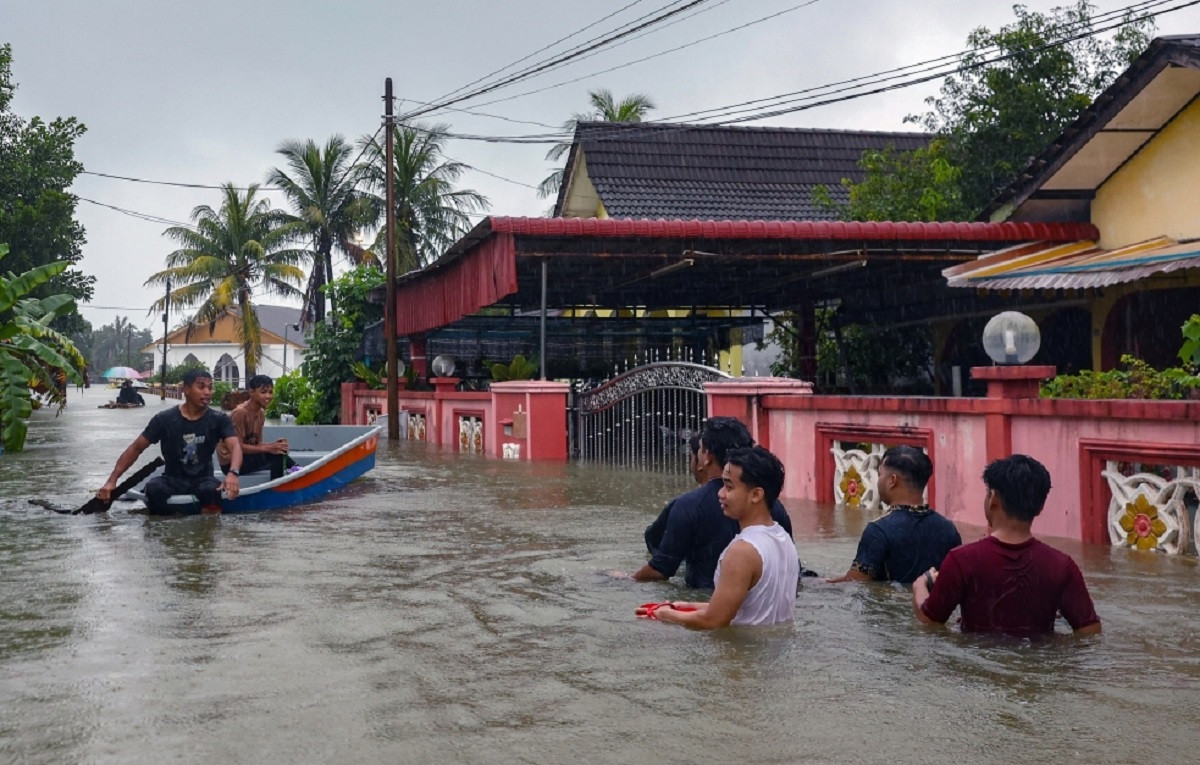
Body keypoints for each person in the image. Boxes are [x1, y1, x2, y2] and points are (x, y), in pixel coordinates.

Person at [913, 454, 1101, 636]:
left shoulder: (961, 560)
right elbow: (1089, 632)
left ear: (993, 498)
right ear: (1041, 506)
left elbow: (930, 623)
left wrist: (920, 586)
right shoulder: (1062, 566)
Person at [620, 416, 795, 589]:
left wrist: (625, 578)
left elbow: (660, 569)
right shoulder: (771, 505)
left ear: (707, 456)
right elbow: (791, 568)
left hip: (706, 602)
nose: (722, 494)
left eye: (701, 448)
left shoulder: (688, 505)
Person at [643, 446, 799, 628]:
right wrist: (688, 606)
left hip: (740, 654)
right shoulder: (783, 537)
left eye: (729, 486)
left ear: (756, 495)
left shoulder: (742, 551)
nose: (720, 493)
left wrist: (664, 614)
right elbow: (749, 607)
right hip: (774, 652)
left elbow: (713, 621)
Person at [98, 368, 242, 514]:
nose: (207, 392)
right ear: (186, 389)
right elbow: (136, 448)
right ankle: (165, 529)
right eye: (201, 387)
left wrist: (233, 473)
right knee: (154, 489)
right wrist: (112, 481)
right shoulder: (164, 419)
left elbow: (235, 447)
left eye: (210, 388)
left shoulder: (219, 419)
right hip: (172, 478)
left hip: (204, 478)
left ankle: (207, 531)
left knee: (211, 491)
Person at [827, 446, 961, 585]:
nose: (878, 481)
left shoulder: (878, 530)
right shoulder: (948, 529)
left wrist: (816, 582)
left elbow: (854, 583)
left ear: (892, 480)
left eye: (880, 475)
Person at [217, 374, 295, 479]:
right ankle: (284, 482)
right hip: (231, 463)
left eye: (270, 392)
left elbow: (256, 444)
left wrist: (274, 445)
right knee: (278, 456)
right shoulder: (240, 413)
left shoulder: (261, 413)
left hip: (246, 457)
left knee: (280, 450)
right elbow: (237, 447)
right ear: (252, 392)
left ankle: (296, 472)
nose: (268, 396)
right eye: (263, 392)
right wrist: (269, 447)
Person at [643, 432, 705, 555]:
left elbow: (652, 540)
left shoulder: (683, 504)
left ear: (701, 461)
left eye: (692, 457)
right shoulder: (740, 502)